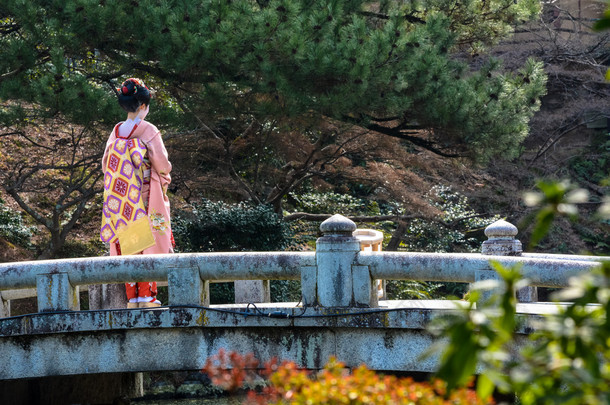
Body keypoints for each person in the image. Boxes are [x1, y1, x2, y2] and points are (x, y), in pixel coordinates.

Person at [100, 78, 174, 308]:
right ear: (142, 105)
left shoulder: (116, 132)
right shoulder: (148, 130)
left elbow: (106, 164)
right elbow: (161, 162)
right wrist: (164, 177)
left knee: (130, 243)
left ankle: (133, 298)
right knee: (147, 244)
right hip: (145, 195)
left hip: (123, 198)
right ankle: (147, 296)